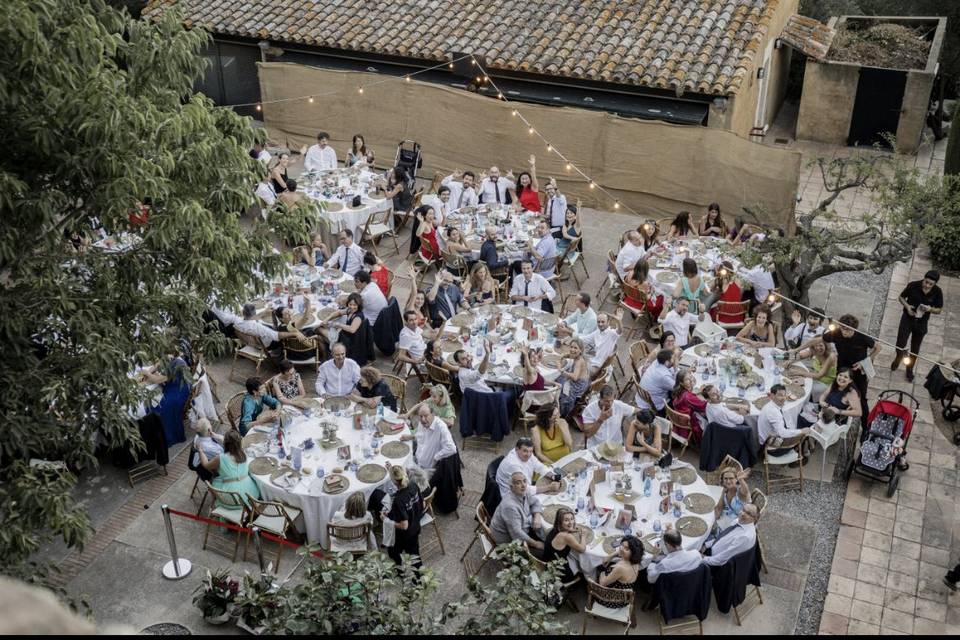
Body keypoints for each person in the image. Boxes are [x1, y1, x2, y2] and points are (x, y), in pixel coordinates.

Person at [818, 315, 879, 427]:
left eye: (847, 330)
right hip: (842, 370)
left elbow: (878, 348)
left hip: (858, 372)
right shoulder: (837, 333)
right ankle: (832, 416)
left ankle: (866, 427)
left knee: (862, 399)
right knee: (836, 391)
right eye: (842, 329)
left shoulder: (862, 337)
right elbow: (824, 338)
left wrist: (865, 362)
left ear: (854, 329)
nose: (844, 332)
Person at [892, 270, 943, 381]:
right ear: (923, 278)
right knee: (900, 343)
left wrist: (930, 309)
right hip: (907, 319)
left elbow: (939, 310)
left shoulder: (937, 292)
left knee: (915, 349)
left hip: (922, 322)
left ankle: (909, 369)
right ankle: (898, 358)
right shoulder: (913, 285)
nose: (927, 285)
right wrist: (907, 307)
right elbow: (901, 297)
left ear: (934, 284)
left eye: (930, 284)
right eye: (926, 282)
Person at [141, 348, 191, 446]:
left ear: (172, 353)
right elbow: (157, 365)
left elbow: (158, 380)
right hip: (172, 387)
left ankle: (166, 437)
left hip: (178, 392)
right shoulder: (171, 358)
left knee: (159, 409)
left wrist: (146, 373)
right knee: (154, 401)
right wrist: (150, 372)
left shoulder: (177, 364)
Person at [199, 430, 260, 506]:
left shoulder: (221, 458)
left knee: (213, 480)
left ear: (225, 444)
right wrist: (215, 435)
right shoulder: (243, 453)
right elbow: (231, 441)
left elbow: (206, 465)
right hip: (249, 495)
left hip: (233, 498)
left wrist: (201, 451)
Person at [490, 472, 545, 549]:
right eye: (518, 483)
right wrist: (536, 544)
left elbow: (535, 502)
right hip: (506, 540)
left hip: (521, 529)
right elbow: (516, 533)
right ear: (511, 487)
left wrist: (537, 516)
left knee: (542, 531)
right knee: (544, 552)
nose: (523, 485)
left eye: (524, 481)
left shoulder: (523, 492)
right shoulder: (510, 507)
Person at [384, 465, 424, 569]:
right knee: (414, 556)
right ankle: (418, 578)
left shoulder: (399, 499)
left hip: (405, 534)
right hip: (415, 527)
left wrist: (386, 520)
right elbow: (422, 504)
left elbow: (404, 525)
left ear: (393, 482)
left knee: (396, 552)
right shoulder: (413, 485)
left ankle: (408, 575)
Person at [401, 404, 457, 474]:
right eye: (421, 416)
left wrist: (436, 457)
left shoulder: (441, 427)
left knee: (404, 481)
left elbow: (452, 448)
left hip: (427, 469)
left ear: (433, 414)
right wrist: (410, 437)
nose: (423, 419)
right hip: (417, 459)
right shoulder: (422, 422)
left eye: (426, 416)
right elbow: (420, 435)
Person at [757, 384, 810, 458]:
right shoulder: (774, 412)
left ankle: (803, 449)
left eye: (784, 395)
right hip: (773, 448)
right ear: (772, 395)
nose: (783, 398)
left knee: (799, 424)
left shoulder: (769, 406)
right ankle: (802, 455)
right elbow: (782, 433)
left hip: (768, 441)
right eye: (780, 395)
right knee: (804, 430)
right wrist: (801, 431)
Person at [320, 292, 371, 366]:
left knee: (318, 330)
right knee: (320, 336)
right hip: (344, 335)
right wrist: (327, 318)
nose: (352, 307)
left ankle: (327, 355)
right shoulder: (350, 310)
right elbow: (339, 313)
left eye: (354, 305)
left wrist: (339, 325)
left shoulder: (358, 316)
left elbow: (352, 329)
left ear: (358, 305)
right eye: (350, 304)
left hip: (349, 341)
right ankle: (326, 355)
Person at [595, 536, 644, 607]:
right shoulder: (636, 561)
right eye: (621, 545)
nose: (621, 548)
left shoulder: (620, 568)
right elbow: (621, 551)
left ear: (633, 553)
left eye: (626, 548)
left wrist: (602, 573)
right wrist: (610, 556)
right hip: (625, 596)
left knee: (597, 570)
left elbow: (602, 584)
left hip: (612, 599)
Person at [542, 507, 587, 583]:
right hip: (559, 571)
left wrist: (570, 528)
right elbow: (582, 549)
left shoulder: (555, 528)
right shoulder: (566, 537)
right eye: (566, 520)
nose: (571, 522)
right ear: (560, 522)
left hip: (547, 562)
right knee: (582, 563)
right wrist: (583, 536)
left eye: (572, 519)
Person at [235, 303, 299, 352]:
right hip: (267, 345)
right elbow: (276, 336)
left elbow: (254, 317)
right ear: (254, 313)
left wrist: (266, 311)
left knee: (272, 326)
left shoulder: (237, 323)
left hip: (253, 343)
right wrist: (294, 333)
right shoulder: (258, 327)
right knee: (284, 330)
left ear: (243, 312)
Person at [670, 369, 708, 442]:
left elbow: (689, 397)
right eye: (687, 379)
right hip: (690, 422)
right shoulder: (688, 397)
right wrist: (708, 398)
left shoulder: (679, 391)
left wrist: (697, 392)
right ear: (681, 383)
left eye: (690, 377)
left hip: (680, 420)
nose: (690, 380)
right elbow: (704, 406)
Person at [556, 338, 590, 417]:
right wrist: (565, 355)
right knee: (560, 379)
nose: (572, 349)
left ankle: (563, 413)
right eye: (571, 347)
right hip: (584, 382)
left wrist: (560, 369)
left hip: (578, 385)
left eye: (575, 348)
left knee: (561, 384)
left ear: (580, 350)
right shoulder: (579, 356)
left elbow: (575, 377)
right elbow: (572, 355)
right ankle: (558, 399)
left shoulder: (579, 362)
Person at [637, 349, 677, 414]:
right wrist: (676, 367)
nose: (674, 360)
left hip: (643, 397)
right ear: (666, 362)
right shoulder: (663, 376)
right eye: (673, 359)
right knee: (681, 398)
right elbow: (677, 388)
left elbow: (670, 371)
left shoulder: (657, 362)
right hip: (654, 405)